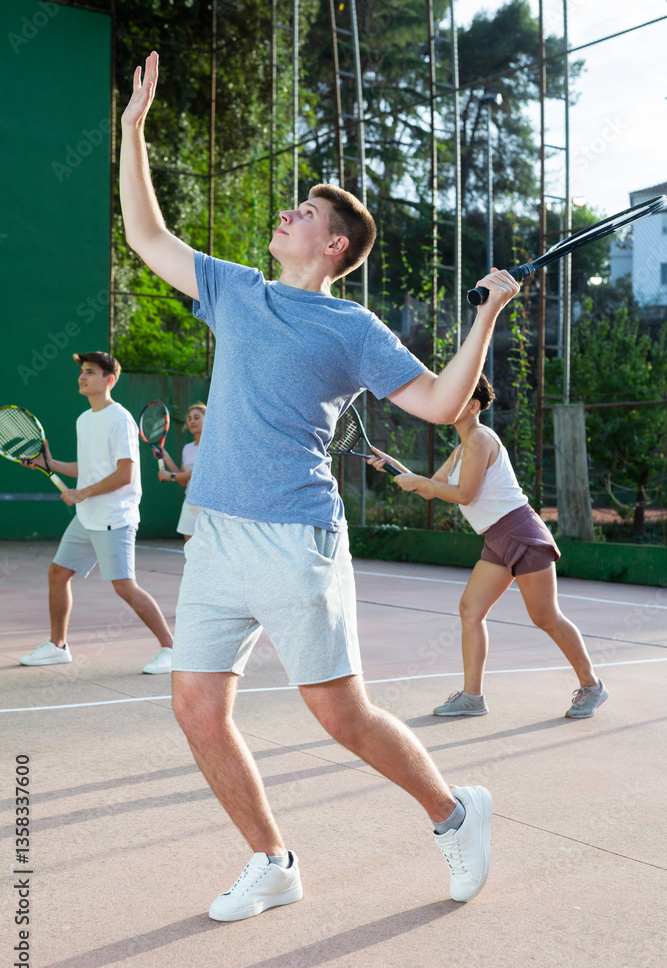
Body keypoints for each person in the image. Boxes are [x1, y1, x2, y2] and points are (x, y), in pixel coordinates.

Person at [119, 50, 520, 921]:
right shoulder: (235, 291)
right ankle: (272, 862)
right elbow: (147, 237)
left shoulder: (352, 324)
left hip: (294, 537)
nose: (286, 213)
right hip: (216, 534)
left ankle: (455, 816)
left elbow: (442, 401)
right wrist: (133, 132)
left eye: (304, 211)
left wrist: (485, 316)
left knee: (340, 715)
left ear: (332, 244)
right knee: (196, 708)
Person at [368, 374, 609, 721]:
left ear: (473, 406)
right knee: (470, 611)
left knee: (545, 617)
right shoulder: (461, 449)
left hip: (522, 534)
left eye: (456, 396)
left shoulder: (480, 439)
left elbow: (464, 495)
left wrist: (422, 482)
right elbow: (430, 489)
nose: (446, 401)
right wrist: (392, 465)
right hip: (496, 539)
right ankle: (472, 697)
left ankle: (592, 686)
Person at [19, 351, 174, 676]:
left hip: (114, 518)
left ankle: (173, 650)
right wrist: (48, 463)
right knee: (58, 573)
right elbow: (87, 469)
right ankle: (58, 646)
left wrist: (81, 493)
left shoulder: (120, 418)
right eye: (82, 371)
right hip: (87, 516)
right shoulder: (83, 419)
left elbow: (124, 474)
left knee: (124, 586)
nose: (83, 376)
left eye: (90, 371)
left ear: (109, 379)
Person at [155, 402, 206, 542]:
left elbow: (199, 473)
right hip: (189, 501)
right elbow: (183, 481)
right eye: (189, 418)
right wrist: (165, 457)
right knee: (189, 547)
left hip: (208, 505)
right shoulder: (187, 448)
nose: (192, 421)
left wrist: (170, 476)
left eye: (196, 417)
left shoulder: (211, 446)